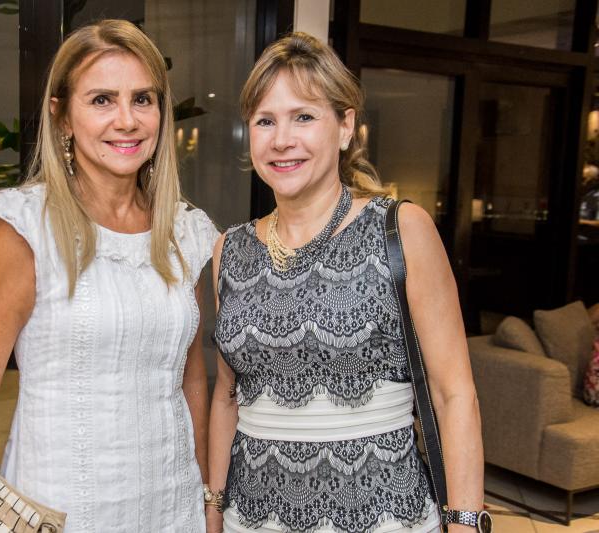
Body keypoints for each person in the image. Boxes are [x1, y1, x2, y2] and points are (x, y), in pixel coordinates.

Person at [0, 20, 218, 533]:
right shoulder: (24, 230)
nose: (126, 120)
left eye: (142, 99)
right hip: (62, 507)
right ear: (62, 116)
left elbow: (191, 378)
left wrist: (208, 501)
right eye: (102, 100)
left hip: (172, 506)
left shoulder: (184, 234)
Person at [206, 33, 487, 533]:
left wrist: (465, 522)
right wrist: (214, 509)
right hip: (251, 519)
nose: (281, 139)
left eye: (303, 117)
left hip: (383, 517)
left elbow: (454, 393)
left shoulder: (401, 229)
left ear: (345, 126)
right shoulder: (231, 249)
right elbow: (227, 396)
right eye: (265, 121)